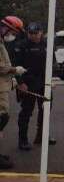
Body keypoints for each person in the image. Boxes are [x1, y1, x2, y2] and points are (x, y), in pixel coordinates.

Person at [14, 22, 57, 150]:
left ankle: (42, 136)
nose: (33, 36)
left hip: (44, 82)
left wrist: (51, 79)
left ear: (41, 32)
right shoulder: (21, 45)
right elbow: (15, 66)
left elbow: (52, 63)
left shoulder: (47, 44)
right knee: (26, 112)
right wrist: (20, 83)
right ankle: (23, 140)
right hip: (28, 83)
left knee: (46, 110)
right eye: (30, 33)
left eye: (35, 33)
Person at [0, 16, 26, 169]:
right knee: (2, 118)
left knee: (2, 118)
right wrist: (14, 70)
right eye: (13, 32)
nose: (13, 36)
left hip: (3, 85)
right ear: (5, 28)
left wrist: (12, 80)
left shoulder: (1, 41)